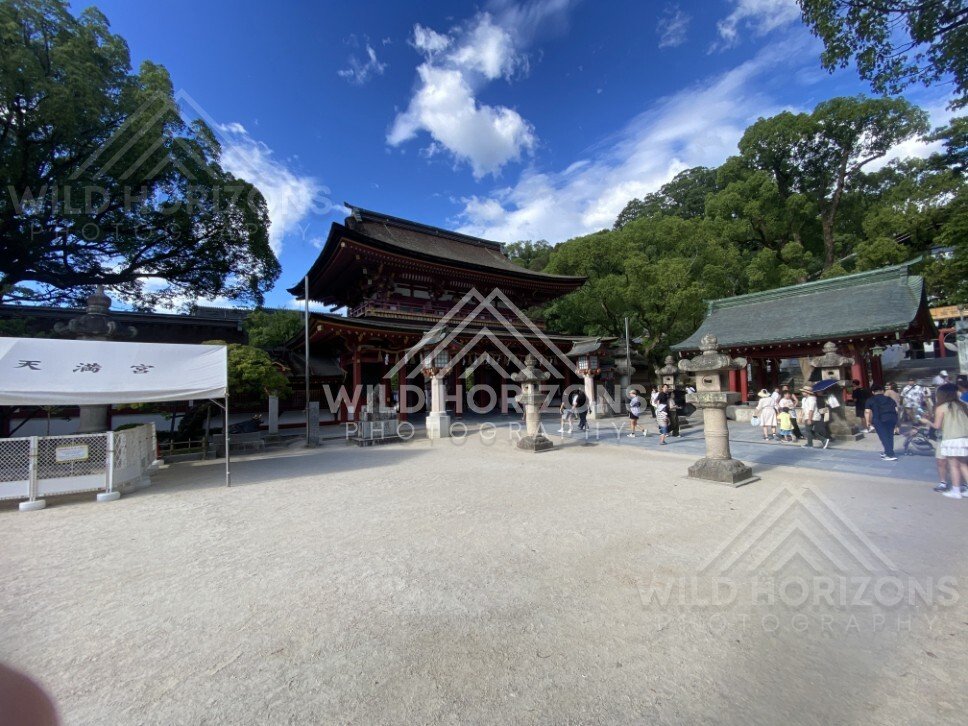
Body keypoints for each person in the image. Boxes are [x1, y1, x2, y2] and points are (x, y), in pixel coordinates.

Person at [920, 383, 968, 499]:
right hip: (964, 438)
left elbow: (937, 426)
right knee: (963, 465)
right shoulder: (963, 405)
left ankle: (956, 491)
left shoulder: (941, 407)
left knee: (953, 466)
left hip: (950, 439)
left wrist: (926, 422)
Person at [864, 384, 899, 461]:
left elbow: (867, 412)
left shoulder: (870, 400)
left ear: (873, 392)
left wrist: (867, 422)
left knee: (884, 436)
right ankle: (887, 451)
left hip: (879, 420)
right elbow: (896, 409)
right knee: (890, 435)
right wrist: (897, 420)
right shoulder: (889, 399)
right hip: (892, 418)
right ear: (883, 391)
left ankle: (890, 455)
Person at [800, 384, 831, 449]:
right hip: (807, 416)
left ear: (807, 392)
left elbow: (811, 410)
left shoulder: (812, 399)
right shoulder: (804, 399)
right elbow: (803, 409)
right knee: (810, 431)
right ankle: (822, 440)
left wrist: (809, 419)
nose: (802, 393)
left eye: (803, 391)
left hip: (813, 417)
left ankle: (812, 443)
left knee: (808, 430)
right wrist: (801, 416)